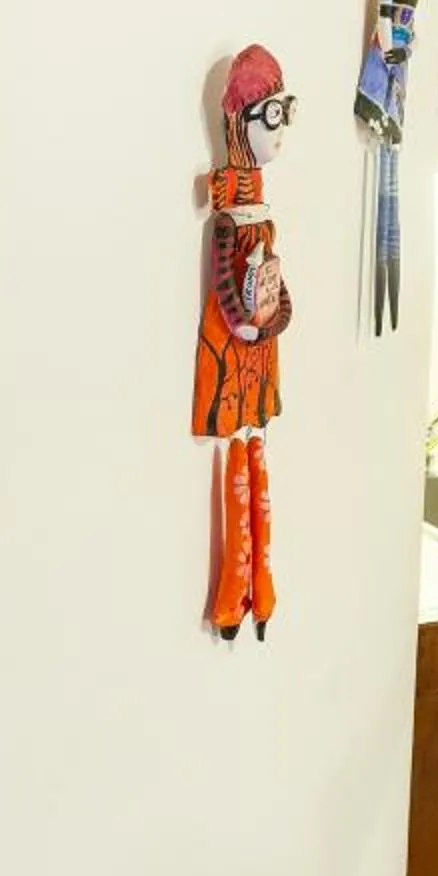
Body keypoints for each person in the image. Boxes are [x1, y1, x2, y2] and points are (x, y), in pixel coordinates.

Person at [193, 47, 295, 640]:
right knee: (238, 443)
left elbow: (269, 278)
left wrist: (275, 314)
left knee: (255, 438)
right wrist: (245, 322)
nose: (281, 133)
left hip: (261, 338)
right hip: (235, 341)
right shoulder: (232, 216)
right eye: (272, 116)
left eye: (286, 113)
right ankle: (236, 584)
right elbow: (225, 280)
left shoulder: (260, 211)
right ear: (241, 120)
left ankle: (262, 579)